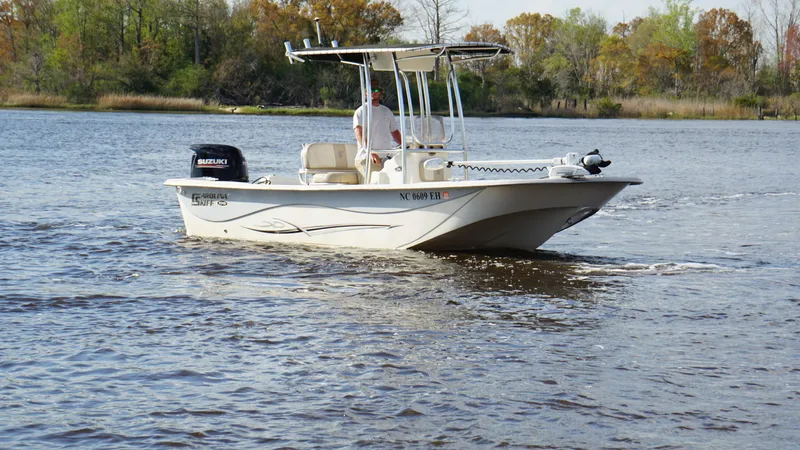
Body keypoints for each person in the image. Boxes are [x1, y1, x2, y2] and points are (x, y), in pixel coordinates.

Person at [353, 80, 402, 180]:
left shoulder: (387, 111)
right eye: (369, 90)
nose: (373, 92)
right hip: (367, 158)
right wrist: (371, 152)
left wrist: (405, 146)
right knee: (372, 185)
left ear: (380, 92)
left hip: (386, 158)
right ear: (365, 92)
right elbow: (359, 134)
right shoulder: (361, 111)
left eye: (375, 90)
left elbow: (395, 132)